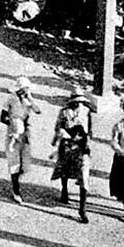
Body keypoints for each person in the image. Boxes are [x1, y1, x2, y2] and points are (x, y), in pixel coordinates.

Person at [49, 93, 93, 223]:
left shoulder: (86, 112)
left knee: (84, 174)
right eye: (75, 101)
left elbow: (90, 130)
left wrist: (87, 142)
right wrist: (63, 135)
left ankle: (82, 209)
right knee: (64, 169)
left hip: (82, 147)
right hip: (67, 145)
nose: (77, 104)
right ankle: (64, 190)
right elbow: (58, 128)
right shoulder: (64, 112)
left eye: (79, 101)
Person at [1, 77, 42, 204]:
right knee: (14, 161)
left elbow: (38, 111)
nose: (24, 92)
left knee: (24, 162)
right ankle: (16, 189)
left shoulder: (28, 100)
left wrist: (30, 99)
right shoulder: (10, 99)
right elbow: (2, 117)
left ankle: (16, 181)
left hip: (25, 133)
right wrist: (12, 123)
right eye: (23, 90)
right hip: (13, 133)